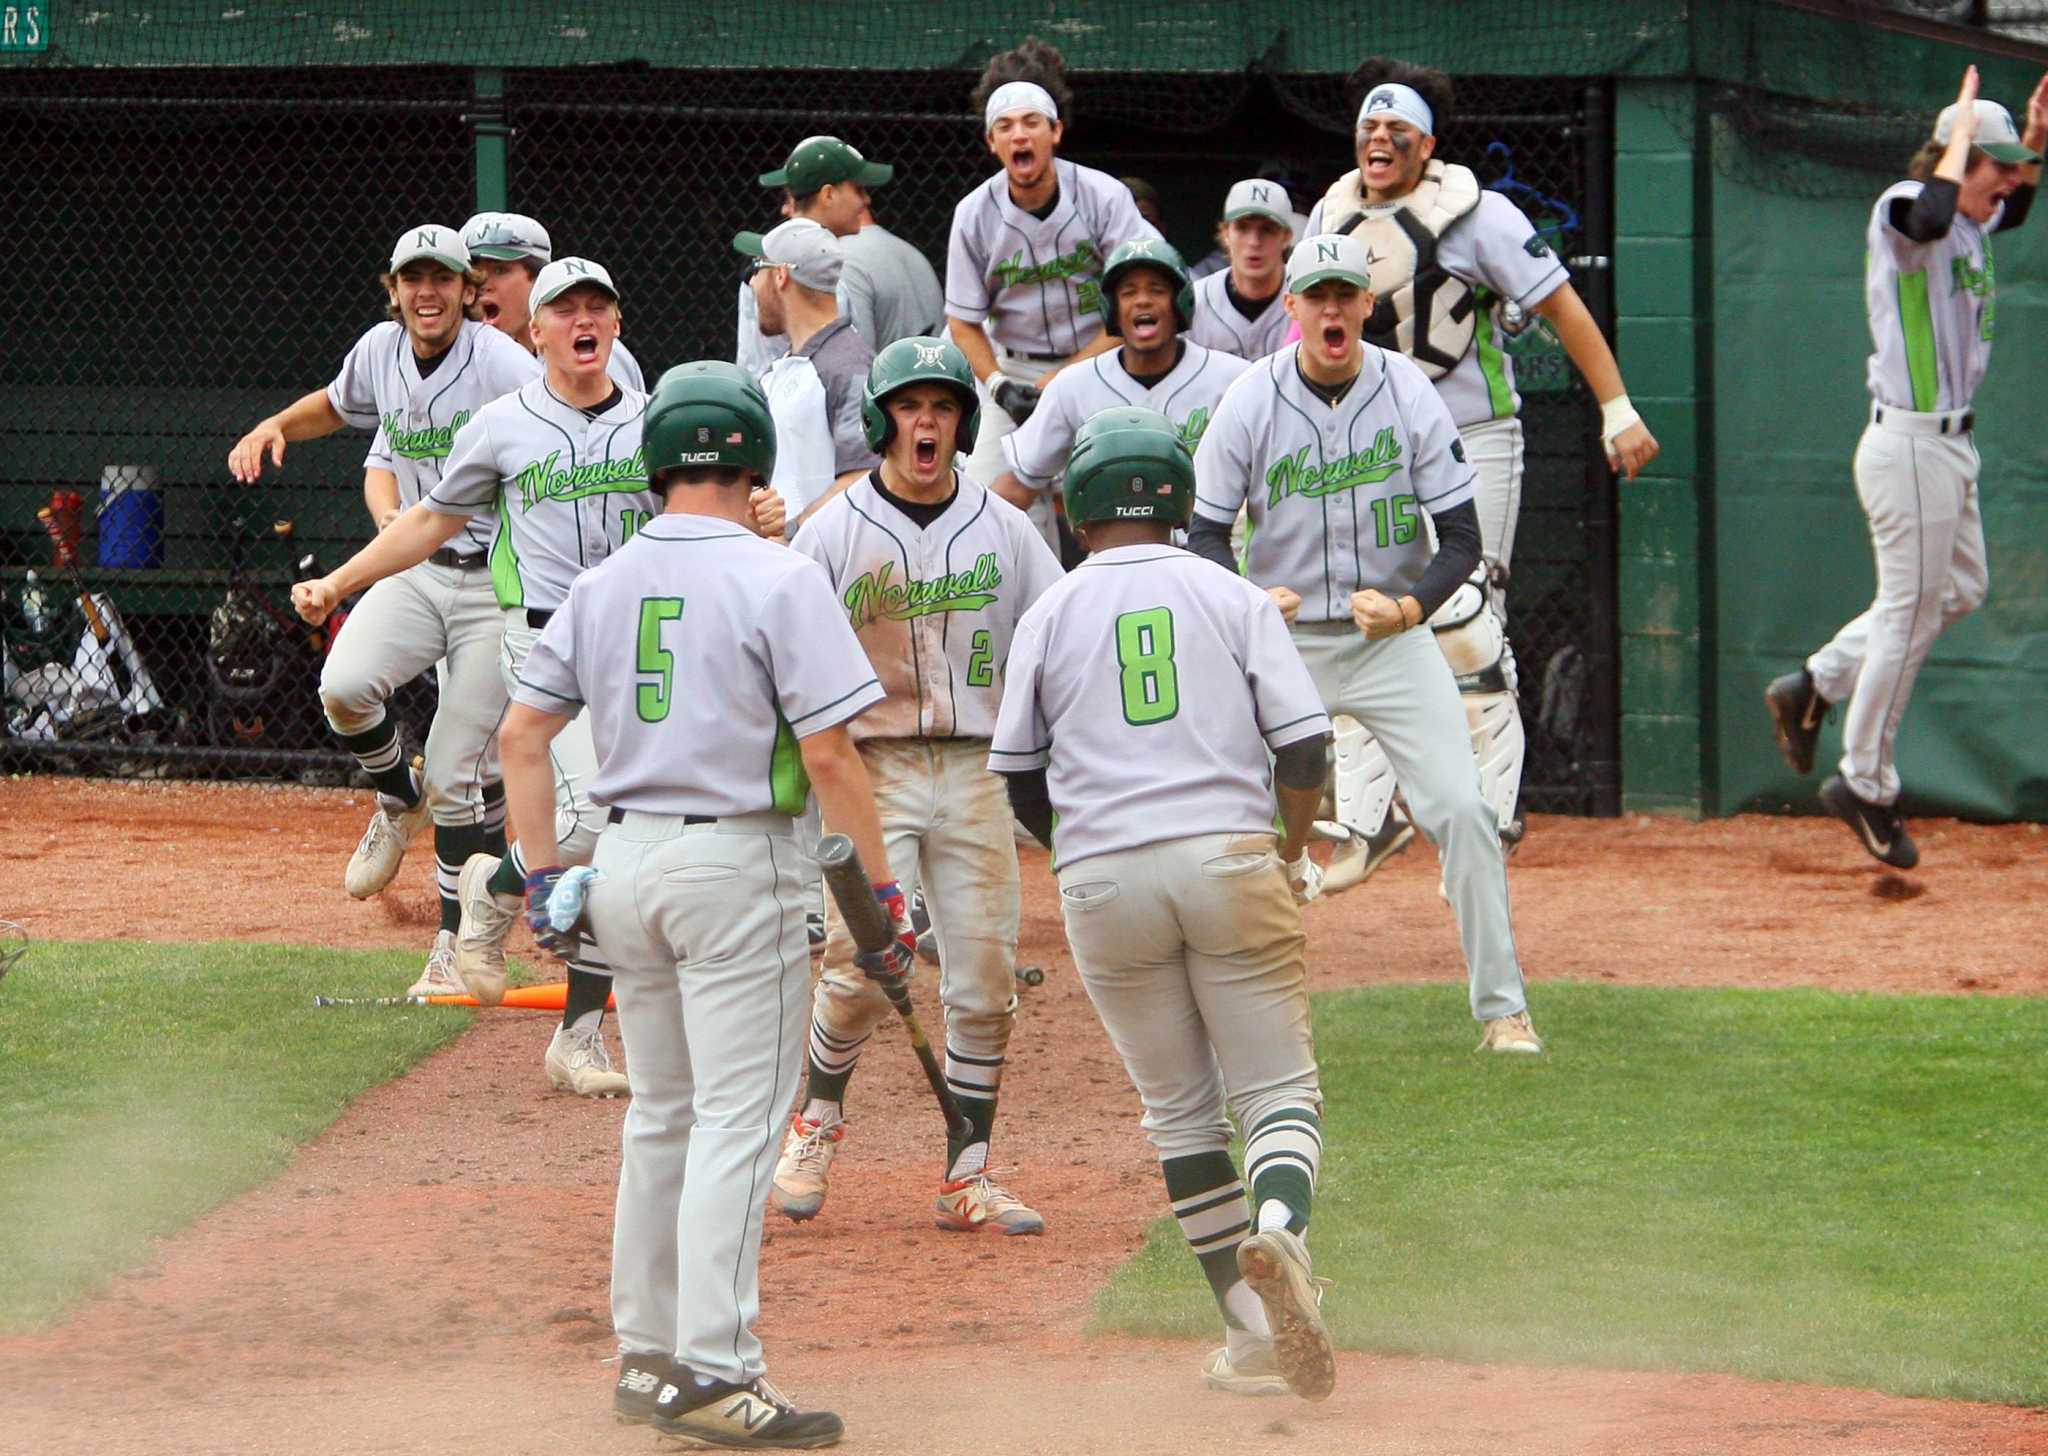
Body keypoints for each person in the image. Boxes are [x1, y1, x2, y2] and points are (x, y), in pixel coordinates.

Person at [502, 361, 899, 1449]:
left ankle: (648, 1358)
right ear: (752, 459)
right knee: (736, 1121)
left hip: (621, 867)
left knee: (663, 1115)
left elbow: (520, 738)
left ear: (658, 459)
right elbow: (830, 753)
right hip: (737, 870)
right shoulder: (778, 575)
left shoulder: (600, 579)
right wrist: (877, 898)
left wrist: (544, 874)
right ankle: (718, 1370)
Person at [294, 259, 783, 1095]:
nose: (583, 320)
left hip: (640, 645)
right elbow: (430, 519)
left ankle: (564, 1009)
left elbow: (717, 513)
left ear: (616, 327)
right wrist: (344, 581)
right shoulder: (502, 423)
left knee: (620, 839)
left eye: (599, 306)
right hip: (545, 642)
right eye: (565, 309)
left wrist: (765, 514)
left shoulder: (654, 424)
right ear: (537, 330)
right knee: (602, 814)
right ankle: (508, 904)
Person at [990, 406, 1339, 1402]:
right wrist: (1290, 836)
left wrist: (1072, 853)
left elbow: (1018, 772)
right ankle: (1281, 1230)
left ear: (1075, 508)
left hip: (1100, 878)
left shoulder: (1048, 612)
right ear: (1179, 501)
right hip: (1227, 856)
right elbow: (1304, 746)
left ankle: (1247, 1334)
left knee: (1180, 1114)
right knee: (1274, 1093)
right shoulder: (1230, 595)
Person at [1191, 233, 1540, 1054]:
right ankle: (1230, 1017)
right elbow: (1203, 535)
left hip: (1390, 645)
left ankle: (1504, 1010)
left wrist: (1414, 609)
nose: (1332, 308)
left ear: (1366, 305)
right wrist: (1245, 597)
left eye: (1345, 293)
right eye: (1316, 294)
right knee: (1242, 830)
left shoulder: (1410, 391)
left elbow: (1460, 536)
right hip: (1285, 651)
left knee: (1463, 810)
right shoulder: (1250, 397)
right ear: (1293, 306)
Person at [1303, 59, 1661, 854]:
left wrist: (1617, 409)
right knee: (1366, 612)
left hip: (1472, 432)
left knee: (1469, 617)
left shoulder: (1479, 214)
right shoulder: (1329, 214)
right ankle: (1380, 806)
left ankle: (1492, 801)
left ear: (1428, 144)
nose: (1380, 138)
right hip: (1368, 444)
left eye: (1398, 128)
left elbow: (1561, 308)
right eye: (1369, 125)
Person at [770, 336, 1065, 1232]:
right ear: (882, 420)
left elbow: (1059, 635)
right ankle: (815, 1124)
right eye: (910, 406)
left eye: (941, 406)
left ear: (963, 421)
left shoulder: (1007, 530)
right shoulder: (832, 531)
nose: (926, 421)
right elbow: (780, 641)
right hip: (871, 770)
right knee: (862, 964)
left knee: (982, 979)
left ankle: (967, 1172)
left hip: (979, 770)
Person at [228, 224, 536, 996]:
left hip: (497, 584)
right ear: (392, 289)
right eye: (412, 278)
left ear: (470, 292)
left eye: (443, 278)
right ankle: (398, 797)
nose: (427, 292)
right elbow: (336, 407)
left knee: (460, 767)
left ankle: (452, 945)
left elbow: (551, 432)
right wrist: (275, 425)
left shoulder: (501, 362)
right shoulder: (378, 349)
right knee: (343, 686)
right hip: (417, 567)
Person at [1766, 67, 2044, 868]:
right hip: (1911, 444)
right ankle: (1866, 784)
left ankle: (1815, 684)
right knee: (1907, 610)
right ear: (1958, 158)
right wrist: (1961, 140)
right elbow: (1927, 212)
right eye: (1998, 166)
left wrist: (2031, 144)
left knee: (1959, 590)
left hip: (1948, 447)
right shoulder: (1904, 206)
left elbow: (2004, 207)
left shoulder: (1972, 224)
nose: (2010, 183)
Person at [946, 38, 1163, 549]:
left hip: (1098, 363)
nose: (1019, 135)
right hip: (1010, 371)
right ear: (991, 143)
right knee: (985, 509)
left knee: (1119, 502)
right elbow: (962, 322)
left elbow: (1144, 303)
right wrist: (998, 385)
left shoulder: (1104, 197)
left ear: (1055, 131)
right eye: (1005, 127)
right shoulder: (973, 214)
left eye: (1031, 123)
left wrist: (1064, 378)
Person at [990, 239, 1248, 525]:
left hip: (1205, 552)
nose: (1143, 300)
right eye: (1128, 292)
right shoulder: (1073, 386)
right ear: (1112, 308)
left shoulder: (1233, 379)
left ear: (1179, 302)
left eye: (1157, 290)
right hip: (1114, 555)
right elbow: (1018, 488)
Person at [735, 218, 878, 525]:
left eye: (757, 268)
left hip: (831, 567)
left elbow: (867, 477)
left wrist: (792, 531)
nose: (751, 283)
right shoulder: (791, 365)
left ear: (780, 275)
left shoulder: (848, 365)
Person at [736, 135, 893, 376]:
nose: (866, 199)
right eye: (858, 189)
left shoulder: (825, 262)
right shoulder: (776, 268)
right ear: (828, 194)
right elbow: (761, 374)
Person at [460, 211, 647, 389]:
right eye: (475, 273)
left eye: (500, 271)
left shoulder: (596, 353)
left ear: (538, 279)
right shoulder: (489, 354)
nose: (482, 284)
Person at [1187, 179, 1295, 361]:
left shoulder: (1306, 298)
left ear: (1286, 237)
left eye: (1267, 230)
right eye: (1242, 228)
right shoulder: (1195, 302)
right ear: (1225, 233)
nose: (1254, 242)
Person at [840, 198, 945, 349]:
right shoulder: (911, 252)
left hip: (884, 370)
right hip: (936, 368)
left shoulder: (843, 259)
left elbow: (855, 363)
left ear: (828, 195)